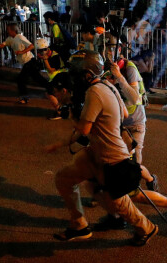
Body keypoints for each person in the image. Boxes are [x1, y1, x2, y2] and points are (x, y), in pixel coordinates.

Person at [46, 50, 158, 245]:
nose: (74, 78)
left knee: (117, 202)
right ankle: (79, 225)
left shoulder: (94, 92)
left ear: (88, 75)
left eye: (76, 74)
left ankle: (147, 228)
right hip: (96, 151)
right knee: (64, 179)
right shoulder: (107, 85)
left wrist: (72, 113)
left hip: (110, 154)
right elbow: (123, 113)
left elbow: (84, 128)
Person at [0, 22, 47, 104]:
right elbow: (1, 46)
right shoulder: (9, 39)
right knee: (38, 79)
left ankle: (24, 98)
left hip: (29, 61)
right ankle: (53, 89)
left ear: (13, 30)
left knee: (21, 80)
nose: (7, 31)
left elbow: (31, 46)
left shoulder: (20, 37)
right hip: (26, 62)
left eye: (8, 30)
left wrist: (22, 52)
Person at [35, 38, 71, 120]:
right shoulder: (51, 54)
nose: (41, 52)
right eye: (40, 51)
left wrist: (45, 60)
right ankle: (63, 110)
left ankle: (60, 112)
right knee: (56, 94)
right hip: (58, 77)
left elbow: (51, 70)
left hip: (61, 76)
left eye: (43, 50)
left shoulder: (54, 56)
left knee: (50, 93)